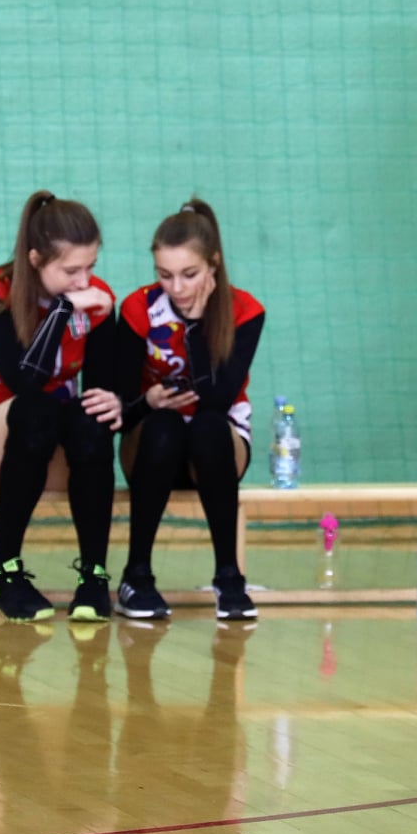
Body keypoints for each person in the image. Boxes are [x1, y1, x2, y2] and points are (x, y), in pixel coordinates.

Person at [0, 191, 123, 622]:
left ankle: (94, 576)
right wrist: (63, 310)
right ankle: (5, 573)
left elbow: (99, 389)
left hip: (49, 448)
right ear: (34, 259)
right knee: (37, 408)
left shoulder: (97, 298)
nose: (84, 282)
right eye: (71, 271)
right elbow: (25, 381)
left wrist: (115, 400)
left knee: (92, 419)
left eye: (90, 267)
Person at [114, 199, 265, 621]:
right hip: (151, 448)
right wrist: (148, 401)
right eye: (165, 275)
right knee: (164, 424)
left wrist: (196, 327)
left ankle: (229, 577)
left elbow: (218, 399)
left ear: (213, 264)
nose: (177, 288)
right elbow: (121, 412)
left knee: (207, 426)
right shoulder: (138, 309)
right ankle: (136, 576)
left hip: (216, 451)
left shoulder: (245, 311)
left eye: (189, 274)